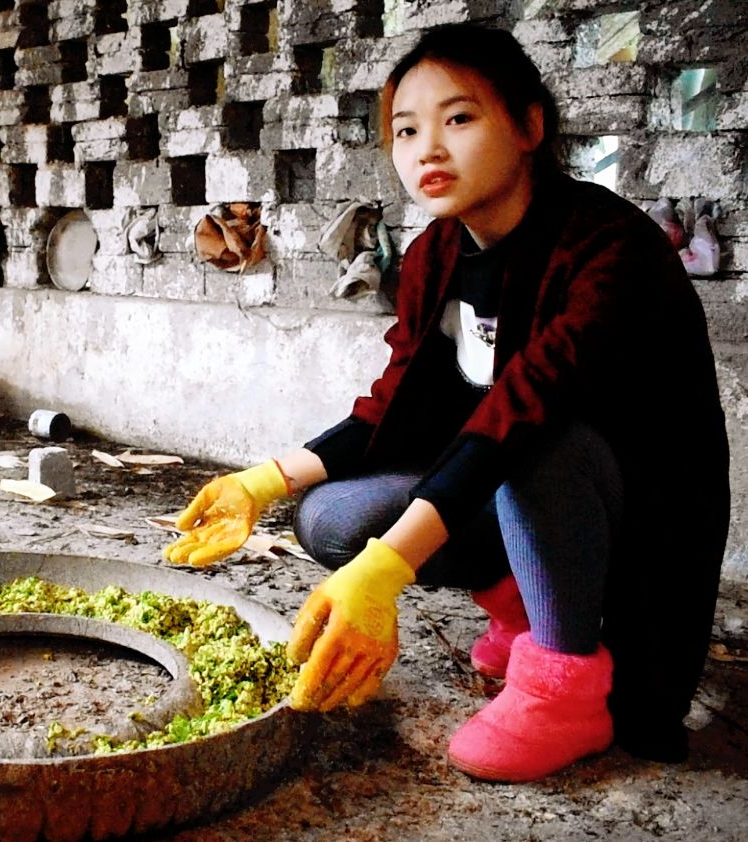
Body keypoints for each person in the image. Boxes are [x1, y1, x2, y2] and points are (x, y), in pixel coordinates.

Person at [164, 22, 729, 783]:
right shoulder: (436, 251)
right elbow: (400, 404)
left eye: (457, 119)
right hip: (509, 484)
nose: (426, 148)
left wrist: (390, 566)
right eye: (404, 130)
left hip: (628, 514)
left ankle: (564, 682)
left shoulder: (608, 246)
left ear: (529, 125)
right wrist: (260, 482)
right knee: (330, 518)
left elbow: (526, 408)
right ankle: (529, 612)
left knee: (536, 441)